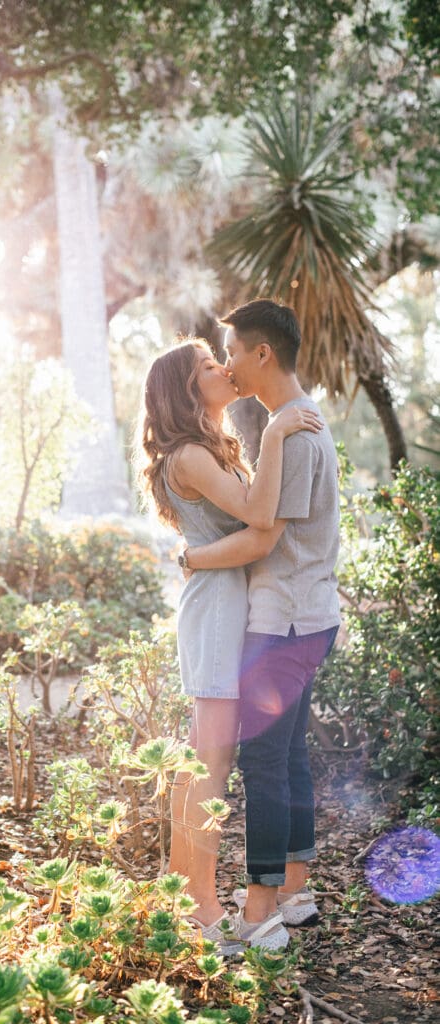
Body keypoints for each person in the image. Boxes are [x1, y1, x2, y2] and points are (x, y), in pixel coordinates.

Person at [137, 337, 322, 953]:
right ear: (188, 390)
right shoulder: (188, 454)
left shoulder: (202, 449)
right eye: (208, 366)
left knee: (202, 760)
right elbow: (256, 516)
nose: (223, 368)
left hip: (222, 603)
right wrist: (273, 435)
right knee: (210, 766)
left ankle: (180, 886)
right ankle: (203, 904)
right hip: (216, 612)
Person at [184, 299, 341, 951]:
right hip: (307, 617)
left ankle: (256, 910)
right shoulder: (298, 421)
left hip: (283, 623)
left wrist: (191, 557)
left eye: (231, 352)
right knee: (288, 756)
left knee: (264, 762)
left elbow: (261, 537)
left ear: (261, 354)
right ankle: (296, 891)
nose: (225, 365)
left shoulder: (293, 431)